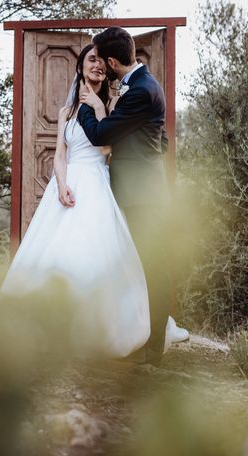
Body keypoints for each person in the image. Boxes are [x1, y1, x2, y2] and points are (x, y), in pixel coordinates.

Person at [1, 43, 188, 361]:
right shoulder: (66, 112)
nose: (97, 65)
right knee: (58, 256)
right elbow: (61, 155)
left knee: (99, 257)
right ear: (80, 67)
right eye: (91, 60)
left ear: (110, 67)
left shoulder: (116, 104)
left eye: (102, 61)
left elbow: (109, 149)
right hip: (69, 186)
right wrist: (60, 184)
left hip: (100, 185)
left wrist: (101, 111)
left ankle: (100, 331)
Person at [76, 27, 184, 365]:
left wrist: (88, 105)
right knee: (137, 266)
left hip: (143, 197)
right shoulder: (142, 86)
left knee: (152, 268)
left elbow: (100, 134)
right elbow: (160, 142)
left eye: (102, 63)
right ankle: (139, 339)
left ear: (111, 61)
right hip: (138, 192)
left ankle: (152, 348)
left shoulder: (141, 91)